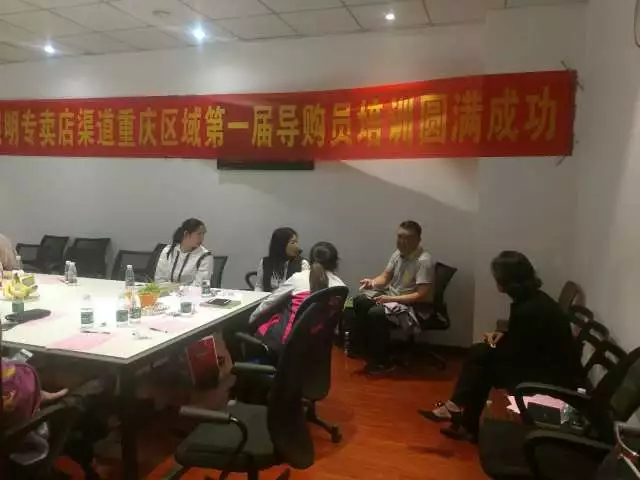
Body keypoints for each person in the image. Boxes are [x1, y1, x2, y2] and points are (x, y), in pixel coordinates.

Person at [418, 251, 583, 442]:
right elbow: (526, 340)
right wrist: (503, 336)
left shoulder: (528, 309)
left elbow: (516, 353)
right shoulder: (535, 299)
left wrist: (497, 342)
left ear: (506, 281)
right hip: (548, 365)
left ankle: (459, 414)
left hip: (550, 377)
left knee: (481, 362)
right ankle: (461, 417)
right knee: (480, 358)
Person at [353, 221, 433, 374]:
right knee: (359, 301)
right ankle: (367, 350)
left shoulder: (424, 261)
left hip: (410, 305)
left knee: (376, 314)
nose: (401, 241)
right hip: (391, 297)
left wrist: (391, 300)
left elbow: (421, 294)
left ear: (418, 240)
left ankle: (383, 362)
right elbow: (385, 277)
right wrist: (372, 282)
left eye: (407, 238)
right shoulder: (398, 254)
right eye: (399, 237)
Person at [248, 241, 345, 354]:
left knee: (261, 321)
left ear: (311, 260)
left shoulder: (298, 278)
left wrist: (251, 319)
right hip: (317, 342)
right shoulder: (341, 287)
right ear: (336, 262)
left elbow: (270, 302)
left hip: (288, 341)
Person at [155, 218, 213, 285]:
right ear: (186, 234)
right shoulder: (167, 251)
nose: (202, 238)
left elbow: (200, 285)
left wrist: (178, 289)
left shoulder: (205, 256)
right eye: (199, 234)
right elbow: (159, 280)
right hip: (167, 291)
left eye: (203, 234)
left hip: (191, 292)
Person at [254, 227, 310, 292]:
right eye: (293, 243)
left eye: (296, 242)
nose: (297, 247)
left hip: (289, 298)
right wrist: (258, 296)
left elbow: (304, 290)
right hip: (268, 297)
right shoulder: (265, 262)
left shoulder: (303, 263)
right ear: (280, 245)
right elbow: (259, 286)